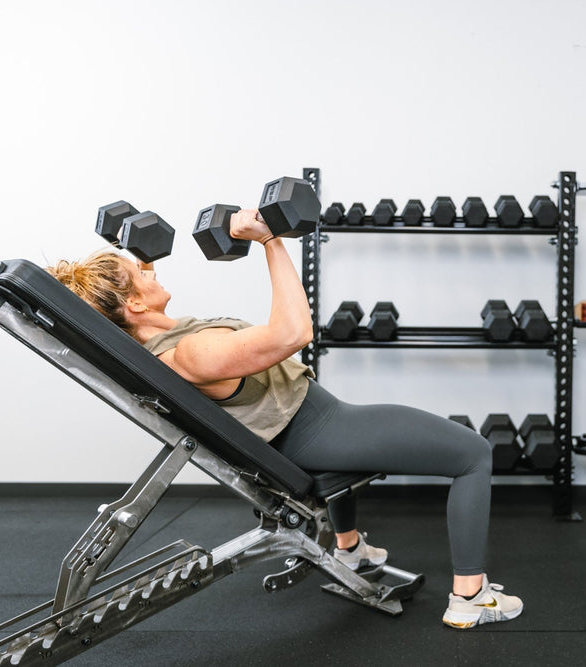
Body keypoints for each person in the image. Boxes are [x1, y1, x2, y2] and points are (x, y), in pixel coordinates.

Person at [47, 208, 522, 629]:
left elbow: (133, 294)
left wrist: (128, 263)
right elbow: (293, 332)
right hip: (319, 431)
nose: (149, 272)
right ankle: (470, 596)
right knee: (472, 453)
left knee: (390, 430)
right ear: (132, 305)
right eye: (140, 276)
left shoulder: (154, 336)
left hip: (313, 423)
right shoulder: (193, 353)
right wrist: (270, 241)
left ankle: (351, 549)